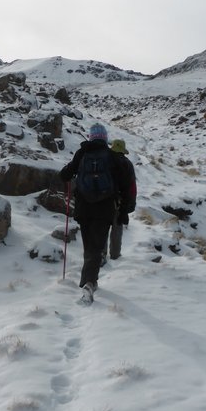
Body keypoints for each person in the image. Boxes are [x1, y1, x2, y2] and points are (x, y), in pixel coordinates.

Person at [59, 123, 135, 302]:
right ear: (105, 138)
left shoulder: (82, 153)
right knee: (97, 246)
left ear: (91, 137)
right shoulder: (113, 156)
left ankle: (88, 280)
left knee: (89, 246)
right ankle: (89, 283)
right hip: (105, 209)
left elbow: (64, 175)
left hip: (84, 208)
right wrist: (124, 211)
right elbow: (125, 186)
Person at [102, 139, 136, 263]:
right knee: (117, 228)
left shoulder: (104, 161)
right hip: (120, 202)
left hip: (103, 201)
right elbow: (132, 188)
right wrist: (129, 207)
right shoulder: (127, 164)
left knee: (103, 228)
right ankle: (115, 256)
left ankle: (101, 255)